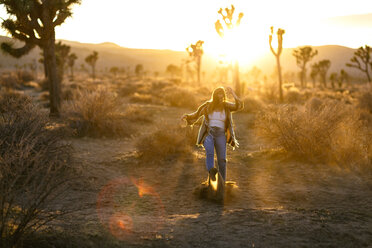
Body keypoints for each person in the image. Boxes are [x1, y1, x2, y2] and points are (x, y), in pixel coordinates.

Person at [181, 86, 243, 183]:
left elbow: (238, 106)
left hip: (221, 135)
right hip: (209, 134)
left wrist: (233, 93)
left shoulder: (226, 106)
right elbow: (197, 114)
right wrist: (187, 116)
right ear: (215, 95)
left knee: (222, 160)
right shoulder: (208, 106)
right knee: (209, 153)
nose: (221, 96)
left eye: (222, 94)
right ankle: (211, 171)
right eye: (219, 94)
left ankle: (222, 183)